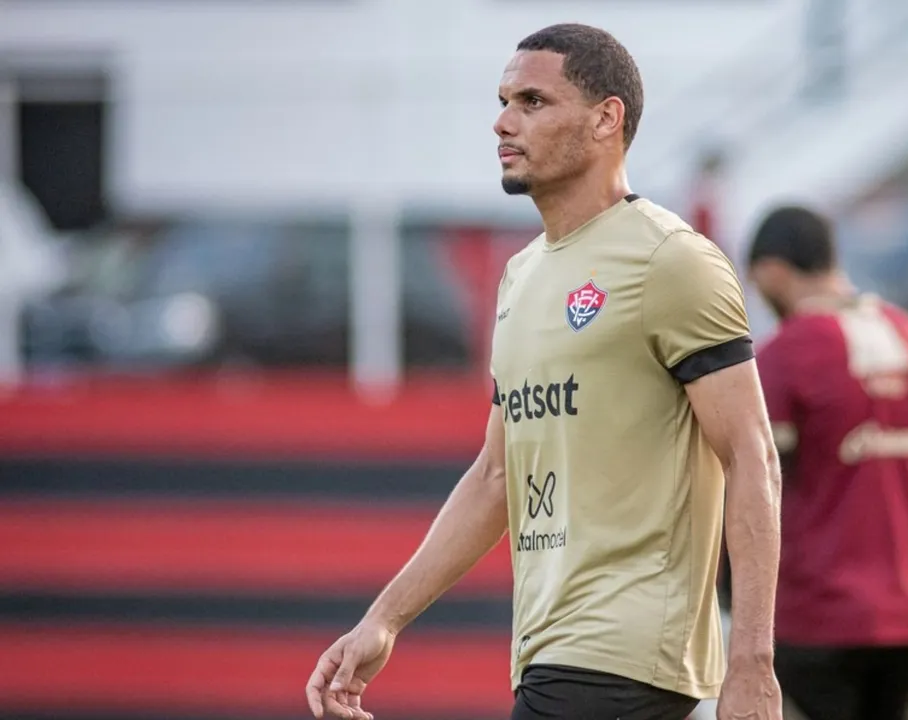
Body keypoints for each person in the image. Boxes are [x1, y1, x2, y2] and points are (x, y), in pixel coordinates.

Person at [305, 23, 784, 720]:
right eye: (504, 101)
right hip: (549, 651)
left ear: (605, 119)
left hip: (623, 657)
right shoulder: (521, 277)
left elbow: (753, 457)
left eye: (533, 101)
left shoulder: (672, 260)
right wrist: (384, 619)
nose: (503, 121)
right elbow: (497, 476)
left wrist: (753, 665)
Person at [744, 206, 908, 720]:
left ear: (772, 271)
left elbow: (751, 494)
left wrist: (734, 611)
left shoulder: (783, 357)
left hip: (813, 623)